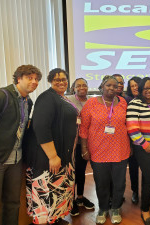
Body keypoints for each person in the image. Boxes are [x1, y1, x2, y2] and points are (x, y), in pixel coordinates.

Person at [0, 65, 42, 225]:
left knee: (13, 204)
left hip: (15, 161)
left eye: (36, 79)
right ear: (18, 78)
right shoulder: (0, 97)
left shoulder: (29, 101)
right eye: (30, 77)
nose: (34, 82)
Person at [25, 68, 77, 224]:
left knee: (58, 191)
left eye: (63, 79)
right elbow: (41, 127)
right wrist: (53, 156)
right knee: (46, 191)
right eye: (56, 79)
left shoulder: (62, 98)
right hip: (47, 157)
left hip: (63, 154)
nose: (61, 82)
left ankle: (55, 219)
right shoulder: (46, 98)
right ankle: (45, 221)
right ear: (50, 81)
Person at [79, 75, 130, 224]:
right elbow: (83, 127)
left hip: (121, 149)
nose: (112, 88)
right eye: (108, 85)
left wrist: (131, 146)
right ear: (102, 85)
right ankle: (102, 208)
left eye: (115, 86)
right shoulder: (91, 103)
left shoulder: (123, 103)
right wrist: (84, 148)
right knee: (101, 182)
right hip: (98, 150)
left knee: (119, 182)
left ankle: (115, 208)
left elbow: (128, 125)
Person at [126, 77, 150, 225]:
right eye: (145, 88)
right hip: (144, 148)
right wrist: (144, 144)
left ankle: (146, 204)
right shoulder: (134, 104)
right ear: (140, 90)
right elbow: (132, 128)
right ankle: (145, 211)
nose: (149, 91)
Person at [67, 78, 95, 217]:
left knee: (81, 171)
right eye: (79, 85)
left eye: (84, 85)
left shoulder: (92, 101)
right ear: (74, 88)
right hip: (72, 143)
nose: (82, 87)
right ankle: (70, 201)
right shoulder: (68, 100)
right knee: (71, 172)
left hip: (86, 143)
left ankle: (80, 198)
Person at [125, 77, 142, 205]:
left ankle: (147, 192)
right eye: (132, 86)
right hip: (132, 141)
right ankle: (135, 191)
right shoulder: (125, 101)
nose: (135, 87)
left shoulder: (147, 100)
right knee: (133, 168)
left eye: (137, 85)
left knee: (147, 169)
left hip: (147, 140)